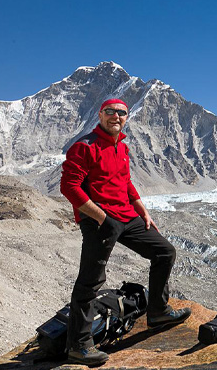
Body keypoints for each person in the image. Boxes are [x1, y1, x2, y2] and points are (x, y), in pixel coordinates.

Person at [59, 98, 191, 365]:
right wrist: (100, 217)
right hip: (99, 219)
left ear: (126, 118)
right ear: (100, 114)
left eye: (121, 113)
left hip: (126, 216)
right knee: (91, 280)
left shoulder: (122, 147)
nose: (115, 117)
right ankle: (79, 345)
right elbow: (69, 187)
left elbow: (126, 183)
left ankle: (157, 311)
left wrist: (142, 210)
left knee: (164, 252)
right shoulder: (84, 147)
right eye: (110, 112)